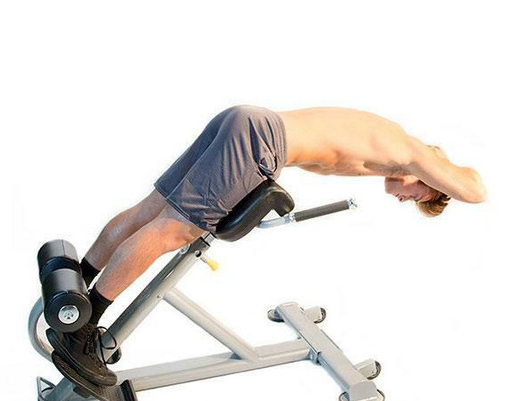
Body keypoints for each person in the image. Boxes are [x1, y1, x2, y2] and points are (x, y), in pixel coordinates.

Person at [46, 105, 487, 386]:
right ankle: (80, 330)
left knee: (150, 210)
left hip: (246, 119)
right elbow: (476, 191)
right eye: (420, 195)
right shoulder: (413, 153)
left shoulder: (389, 141)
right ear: (431, 177)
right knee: (173, 229)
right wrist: (439, 168)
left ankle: (77, 281)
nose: (407, 199)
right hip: (260, 140)